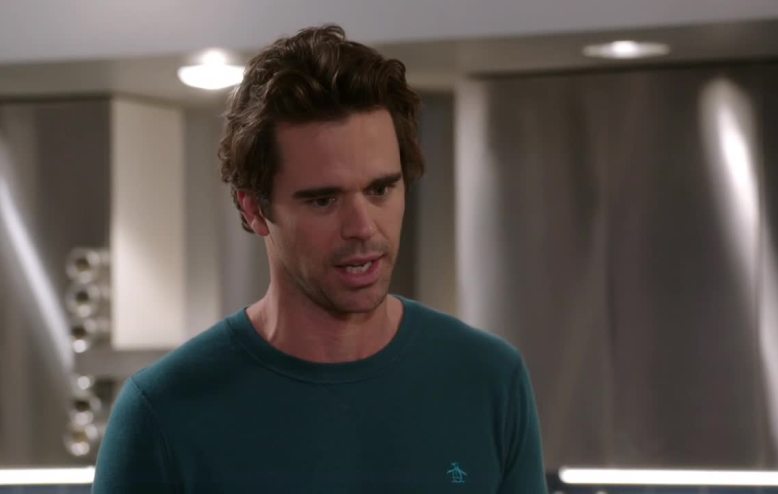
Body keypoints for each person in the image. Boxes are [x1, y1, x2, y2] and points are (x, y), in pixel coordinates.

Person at [92, 24, 547, 493]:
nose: (362, 226)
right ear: (254, 208)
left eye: (380, 189)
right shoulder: (164, 414)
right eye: (323, 200)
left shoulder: (488, 380)